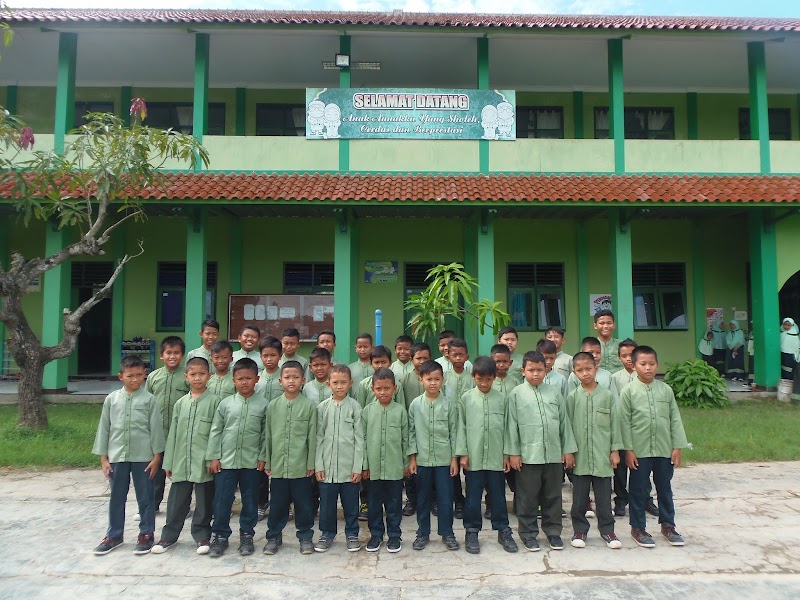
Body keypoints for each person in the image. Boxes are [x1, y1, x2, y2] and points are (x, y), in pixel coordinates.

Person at [92, 355, 165, 555]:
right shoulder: (112, 400)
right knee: (116, 497)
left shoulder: (149, 400)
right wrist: (103, 458)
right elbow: (104, 428)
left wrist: (157, 456)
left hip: (144, 457)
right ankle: (114, 535)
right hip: (117, 456)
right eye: (130, 375)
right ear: (120, 376)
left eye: (139, 375)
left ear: (145, 376)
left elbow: (156, 429)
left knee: (146, 497)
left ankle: (146, 533)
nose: (135, 379)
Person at [506, 351, 577, 552]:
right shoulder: (516, 394)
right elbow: (511, 425)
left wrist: (568, 450)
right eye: (531, 370)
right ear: (523, 371)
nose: (535, 374)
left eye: (539, 370)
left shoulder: (554, 393)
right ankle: (528, 534)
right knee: (527, 497)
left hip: (553, 454)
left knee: (553, 496)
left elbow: (564, 422)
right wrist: (513, 453)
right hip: (528, 456)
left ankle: (553, 532)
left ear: (546, 370)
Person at [620, 346, 689, 548]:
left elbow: (674, 419)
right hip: (639, 451)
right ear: (634, 366)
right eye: (643, 364)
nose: (648, 368)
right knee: (638, 490)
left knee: (665, 488)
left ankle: (668, 525)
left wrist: (677, 446)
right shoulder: (628, 392)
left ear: (657, 365)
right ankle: (638, 528)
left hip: (663, 449)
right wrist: (628, 450)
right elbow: (624, 422)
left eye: (652, 364)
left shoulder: (665, 390)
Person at [152, 357, 221, 555]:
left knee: (204, 501)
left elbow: (217, 433)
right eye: (193, 374)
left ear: (209, 375)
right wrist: (170, 461)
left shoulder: (216, 402)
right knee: (177, 500)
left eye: (201, 374)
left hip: (203, 461)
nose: (197, 378)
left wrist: (213, 458)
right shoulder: (181, 403)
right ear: (186, 377)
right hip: (182, 459)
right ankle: (168, 536)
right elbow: (173, 433)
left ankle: (202, 536)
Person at [206, 358, 269, 558]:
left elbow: (266, 434)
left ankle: (246, 536)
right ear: (233, 380)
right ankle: (221, 536)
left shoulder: (264, 404)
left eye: (248, 378)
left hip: (251, 462)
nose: (244, 382)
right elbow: (216, 431)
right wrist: (214, 456)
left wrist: (263, 456)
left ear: (257, 379)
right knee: (222, 500)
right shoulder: (225, 404)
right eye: (240, 378)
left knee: (250, 500)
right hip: (226, 461)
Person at [456, 356, 518, 554]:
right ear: (473, 376)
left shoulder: (502, 399)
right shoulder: (466, 399)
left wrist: (507, 454)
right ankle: (471, 531)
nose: (484, 383)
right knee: (473, 497)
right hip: (473, 458)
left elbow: (509, 428)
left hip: (495, 458)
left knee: (498, 496)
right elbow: (461, 428)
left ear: (494, 378)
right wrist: (462, 453)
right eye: (480, 379)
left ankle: (503, 530)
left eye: (488, 379)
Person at [566, 352, 624, 550]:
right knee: (579, 498)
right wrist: (569, 452)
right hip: (580, 456)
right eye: (580, 370)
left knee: (604, 497)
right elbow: (568, 427)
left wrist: (615, 450)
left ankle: (608, 530)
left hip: (602, 456)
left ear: (596, 369)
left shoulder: (607, 396)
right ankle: (580, 529)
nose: (585, 373)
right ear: (574, 372)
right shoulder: (573, 397)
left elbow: (615, 425)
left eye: (588, 369)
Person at [262, 360, 317, 556]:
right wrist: (267, 460)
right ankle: (274, 536)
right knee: (277, 504)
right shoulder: (273, 406)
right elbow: (268, 436)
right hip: (278, 465)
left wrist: (311, 463)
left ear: (303, 380)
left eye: (295, 377)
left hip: (300, 467)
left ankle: (305, 537)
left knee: (304, 504)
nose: (291, 381)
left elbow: (312, 437)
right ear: (280, 381)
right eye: (287, 377)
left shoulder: (309, 407)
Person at [408, 360, 460, 551]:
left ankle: (447, 533)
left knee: (446, 499)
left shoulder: (448, 405)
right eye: (429, 379)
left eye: (437, 379)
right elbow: (411, 432)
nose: (433, 383)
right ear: (421, 379)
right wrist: (412, 458)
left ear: (443, 380)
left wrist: (454, 459)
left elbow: (454, 432)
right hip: (422, 460)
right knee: (422, 498)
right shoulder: (415, 405)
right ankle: (422, 533)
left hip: (444, 460)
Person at [314, 364, 363, 553]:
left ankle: (352, 534)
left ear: (350, 383)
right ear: (328, 384)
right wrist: (319, 464)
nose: (340, 386)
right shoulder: (322, 408)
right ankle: (327, 534)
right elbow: (318, 438)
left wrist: (357, 467)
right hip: (327, 467)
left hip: (348, 467)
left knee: (351, 503)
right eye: (335, 382)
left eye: (343, 382)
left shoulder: (355, 407)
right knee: (327, 504)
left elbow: (360, 439)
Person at [362, 368, 409, 553]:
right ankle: (376, 535)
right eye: (379, 388)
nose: (383, 392)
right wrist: (364, 465)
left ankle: (394, 536)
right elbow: (363, 440)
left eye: (387, 388)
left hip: (394, 468)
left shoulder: (400, 411)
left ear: (395, 389)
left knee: (394, 504)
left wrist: (405, 464)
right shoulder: (366, 411)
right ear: (373, 389)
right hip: (373, 468)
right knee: (373, 504)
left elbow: (406, 439)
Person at [145, 335, 189, 513]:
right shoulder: (153, 377)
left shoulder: (187, 376)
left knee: (180, 473)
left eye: (176, 353)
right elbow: (145, 403)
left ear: (182, 355)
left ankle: (181, 508)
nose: (172, 356)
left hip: (179, 434)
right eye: (168, 353)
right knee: (155, 472)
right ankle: (151, 506)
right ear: (161, 355)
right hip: (158, 434)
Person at [400, 341, 431, 517]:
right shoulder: (405, 379)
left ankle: (431, 500)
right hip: (412, 427)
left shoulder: (434, 377)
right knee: (411, 468)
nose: (422, 361)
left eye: (425, 358)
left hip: (431, 428)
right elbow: (403, 403)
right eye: (418, 358)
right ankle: (411, 500)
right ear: (412, 359)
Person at [442, 338, 473, 518]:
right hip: (450, 428)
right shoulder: (444, 378)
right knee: (452, 468)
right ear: (448, 356)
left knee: (469, 466)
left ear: (467, 356)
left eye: (461, 355)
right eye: (455, 355)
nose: (458, 358)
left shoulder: (472, 378)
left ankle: (470, 501)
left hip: (469, 427)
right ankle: (458, 501)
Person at [254, 335, 283, 521]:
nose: (269, 359)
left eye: (273, 355)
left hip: (281, 428)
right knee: (261, 467)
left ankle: (283, 504)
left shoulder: (286, 375)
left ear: (280, 356)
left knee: (281, 468)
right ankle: (261, 502)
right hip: (260, 428)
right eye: (265, 355)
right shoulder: (256, 378)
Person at [610, 338, 639, 516]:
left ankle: (644, 499)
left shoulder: (643, 376)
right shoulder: (615, 378)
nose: (629, 359)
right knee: (620, 470)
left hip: (639, 429)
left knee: (640, 467)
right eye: (624, 356)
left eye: (632, 355)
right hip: (621, 428)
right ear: (619, 358)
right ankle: (620, 500)